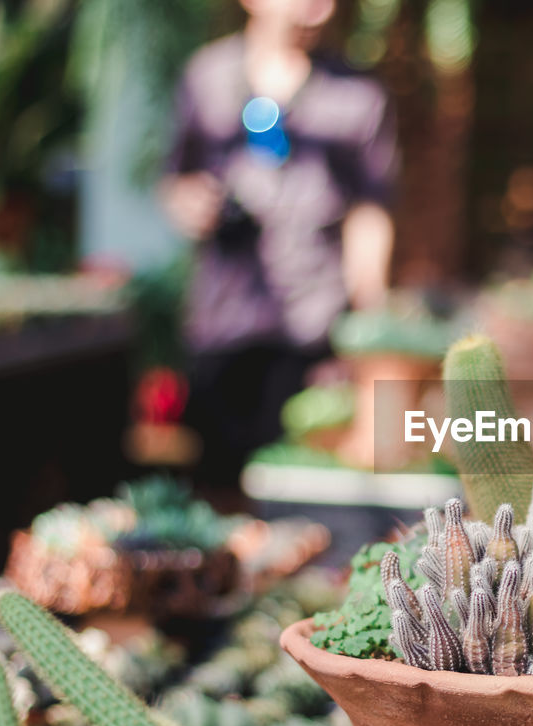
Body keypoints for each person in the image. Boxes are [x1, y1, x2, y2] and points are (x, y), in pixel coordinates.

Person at [161, 0, 396, 485]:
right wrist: (190, 203)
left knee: (300, 488)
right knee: (219, 488)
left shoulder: (358, 95)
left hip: (313, 330)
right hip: (222, 327)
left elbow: (370, 216)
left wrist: (369, 330)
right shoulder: (207, 76)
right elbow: (175, 179)